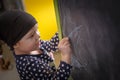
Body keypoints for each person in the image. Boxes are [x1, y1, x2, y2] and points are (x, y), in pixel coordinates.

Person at [0, 10, 72, 80]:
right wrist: (66, 56)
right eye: (31, 35)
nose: (38, 36)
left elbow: (50, 45)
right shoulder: (29, 64)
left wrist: (61, 33)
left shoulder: (32, 46)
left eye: (37, 29)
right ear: (15, 44)